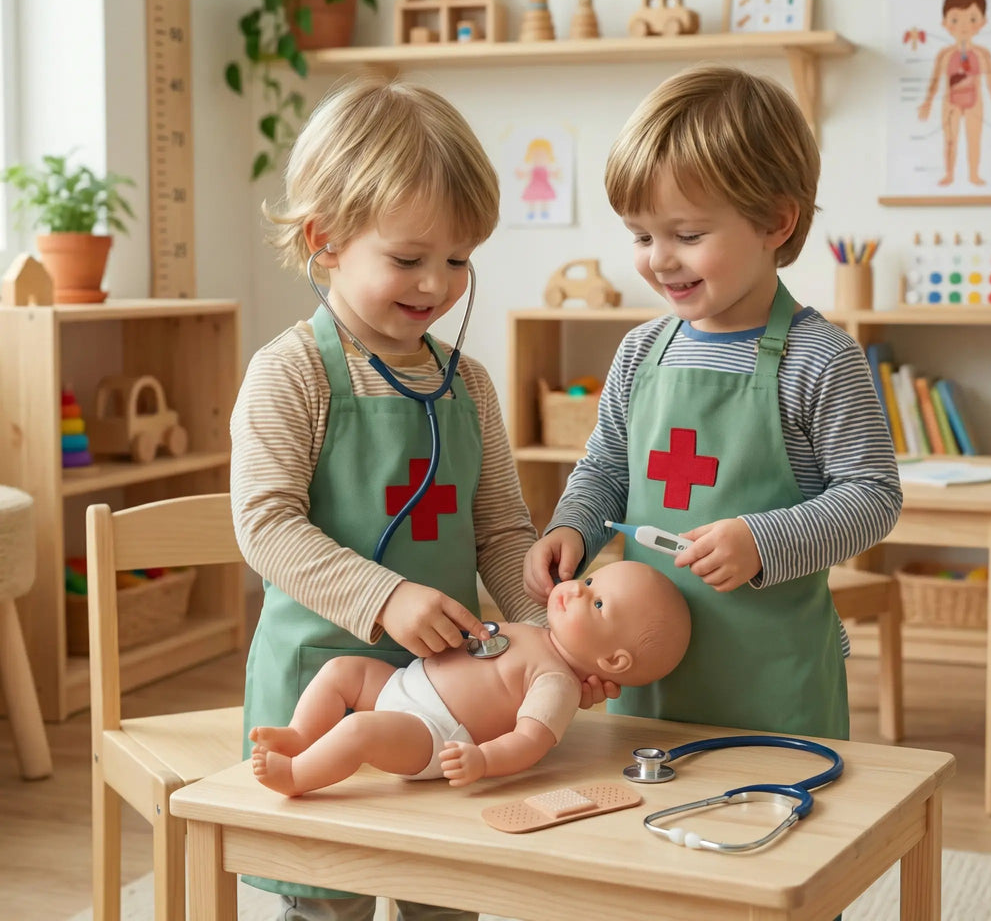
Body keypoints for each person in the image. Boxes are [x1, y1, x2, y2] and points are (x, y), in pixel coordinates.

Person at [231, 76, 557, 921]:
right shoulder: (291, 372)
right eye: (408, 259)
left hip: (450, 700)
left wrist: (546, 638)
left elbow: (501, 528)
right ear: (325, 240)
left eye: (458, 260)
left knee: (445, 890)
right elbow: (265, 527)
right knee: (327, 898)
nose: (436, 285)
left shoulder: (469, 384)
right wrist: (387, 597)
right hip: (319, 688)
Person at [523, 65, 903, 745]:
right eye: (642, 236)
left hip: (771, 677)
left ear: (774, 223)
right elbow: (608, 468)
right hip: (646, 673)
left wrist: (765, 541)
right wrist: (572, 530)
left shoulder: (822, 359)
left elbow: (872, 495)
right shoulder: (641, 351)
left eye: (687, 235)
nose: (659, 260)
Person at [250, 559, 691, 795]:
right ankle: (300, 732)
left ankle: (295, 776)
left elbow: (529, 741)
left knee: (359, 730)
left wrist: (482, 762)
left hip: (431, 733)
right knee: (342, 670)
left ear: (614, 662)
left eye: (596, 604)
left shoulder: (557, 683)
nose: (577, 587)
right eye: (591, 579)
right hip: (404, 683)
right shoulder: (539, 634)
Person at [917, 0, 991, 186]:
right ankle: (949, 173)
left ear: (983, 22)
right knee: (950, 140)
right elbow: (934, 80)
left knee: (973, 138)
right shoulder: (945, 54)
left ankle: (973, 174)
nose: (964, 25)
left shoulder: (983, 54)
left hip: (975, 101)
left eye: (972, 19)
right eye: (956, 19)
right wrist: (927, 103)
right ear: (945, 24)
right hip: (951, 102)